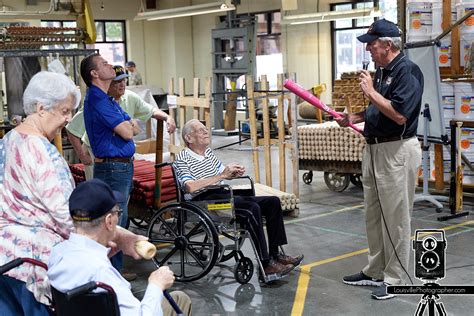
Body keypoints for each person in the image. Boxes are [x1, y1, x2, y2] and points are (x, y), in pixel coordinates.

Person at [0, 71, 146, 315]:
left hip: (6, 259)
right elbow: (74, 219)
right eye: (64, 111)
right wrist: (120, 236)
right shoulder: (44, 154)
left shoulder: (8, 140)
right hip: (34, 267)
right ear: (40, 108)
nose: (68, 119)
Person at [336, 19, 423, 300]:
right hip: (374, 149)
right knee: (374, 214)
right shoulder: (383, 70)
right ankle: (376, 270)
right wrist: (354, 118)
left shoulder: (407, 72)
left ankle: (397, 277)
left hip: (396, 151)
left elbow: (399, 114)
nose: (369, 50)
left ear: (387, 44)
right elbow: (379, 110)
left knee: (396, 217)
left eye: (371, 45)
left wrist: (370, 91)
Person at [173, 119, 304, 280]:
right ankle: (265, 263)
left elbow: (222, 173)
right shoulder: (182, 158)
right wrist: (221, 175)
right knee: (251, 209)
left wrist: (233, 172)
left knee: (273, 202)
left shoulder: (208, 153)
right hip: (203, 201)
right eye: (200, 130)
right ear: (189, 138)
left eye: (205, 129)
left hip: (220, 194)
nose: (206, 132)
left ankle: (276, 255)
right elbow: (190, 187)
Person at [48, 179, 192, 316]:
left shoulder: (57, 253)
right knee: (180, 298)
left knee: (178, 298)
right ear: (109, 221)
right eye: (118, 213)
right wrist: (156, 285)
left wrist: (104, 256)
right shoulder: (102, 272)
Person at [66, 65, 176, 180]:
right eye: (118, 81)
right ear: (108, 83)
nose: (122, 84)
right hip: (95, 154)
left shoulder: (130, 98)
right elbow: (71, 129)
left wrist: (168, 118)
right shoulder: (96, 103)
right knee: (99, 191)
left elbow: (151, 110)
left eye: (124, 80)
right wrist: (82, 155)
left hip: (119, 157)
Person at [79, 53, 136, 273]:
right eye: (104, 64)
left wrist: (128, 126)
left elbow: (132, 126)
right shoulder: (97, 99)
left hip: (120, 166)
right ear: (94, 73)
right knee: (113, 223)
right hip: (113, 168)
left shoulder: (107, 99)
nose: (110, 65)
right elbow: (128, 131)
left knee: (118, 220)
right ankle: (111, 273)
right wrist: (127, 126)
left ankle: (113, 270)